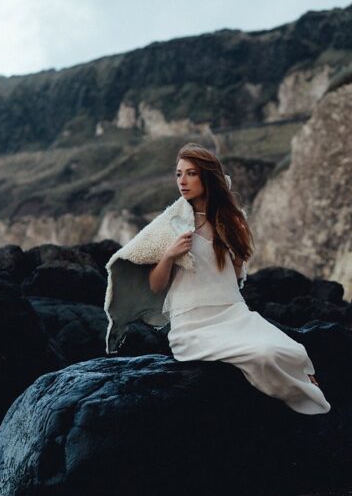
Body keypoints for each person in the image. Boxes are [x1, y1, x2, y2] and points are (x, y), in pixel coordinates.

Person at [105, 142, 330, 415]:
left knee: (293, 351)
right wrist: (169, 255)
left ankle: (307, 392)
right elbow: (156, 285)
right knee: (263, 355)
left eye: (191, 173)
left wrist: (236, 255)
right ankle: (307, 404)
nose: (182, 181)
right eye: (178, 174)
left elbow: (233, 277)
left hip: (233, 314)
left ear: (208, 177)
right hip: (193, 326)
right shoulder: (171, 225)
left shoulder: (232, 220)